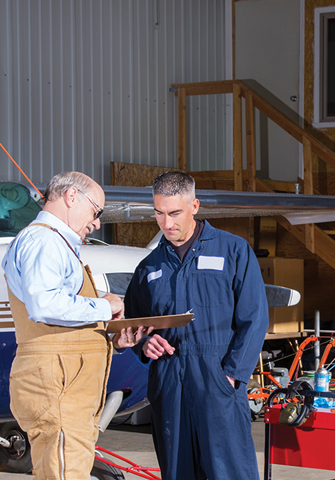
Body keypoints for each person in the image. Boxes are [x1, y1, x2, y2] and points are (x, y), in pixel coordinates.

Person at [3, 171, 151, 480]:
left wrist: (107, 339)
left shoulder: (54, 243)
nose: (97, 223)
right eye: (96, 211)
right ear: (72, 197)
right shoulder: (43, 240)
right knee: (64, 470)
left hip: (67, 386)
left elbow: (61, 326)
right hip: (59, 386)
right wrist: (104, 305)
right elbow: (45, 304)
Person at [124, 171, 268, 480]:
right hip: (169, 380)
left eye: (174, 213)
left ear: (195, 206)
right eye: (159, 213)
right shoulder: (149, 266)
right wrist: (143, 344)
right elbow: (133, 322)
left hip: (217, 376)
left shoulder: (233, 251)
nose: (167, 223)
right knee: (178, 470)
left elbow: (254, 318)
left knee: (229, 470)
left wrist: (232, 374)